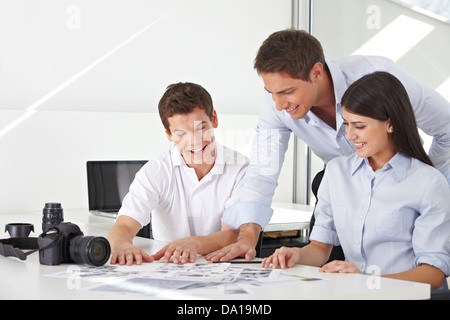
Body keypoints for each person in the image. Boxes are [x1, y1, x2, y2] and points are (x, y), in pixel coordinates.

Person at [205, 29, 450, 263]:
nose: (278, 104)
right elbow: (262, 174)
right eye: (271, 93)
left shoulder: (379, 77)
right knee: (327, 270)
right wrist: (247, 238)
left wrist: (421, 184)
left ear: (317, 73)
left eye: (288, 91)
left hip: (397, 186)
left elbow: (447, 129)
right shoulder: (277, 105)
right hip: (338, 185)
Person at [261, 72, 450, 289]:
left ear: (390, 124)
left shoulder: (429, 183)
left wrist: (368, 281)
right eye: (347, 124)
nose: (349, 136)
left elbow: (433, 273)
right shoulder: (336, 172)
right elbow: (320, 249)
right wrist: (295, 255)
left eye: (359, 126)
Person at [107, 82, 249, 265]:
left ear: (213, 119)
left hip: (221, 268)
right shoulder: (156, 170)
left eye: (201, 128)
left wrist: (194, 243)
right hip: (169, 267)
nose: (195, 142)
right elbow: (124, 226)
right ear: (168, 134)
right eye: (181, 134)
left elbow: (233, 235)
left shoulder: (241, 168)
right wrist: (122, 245)